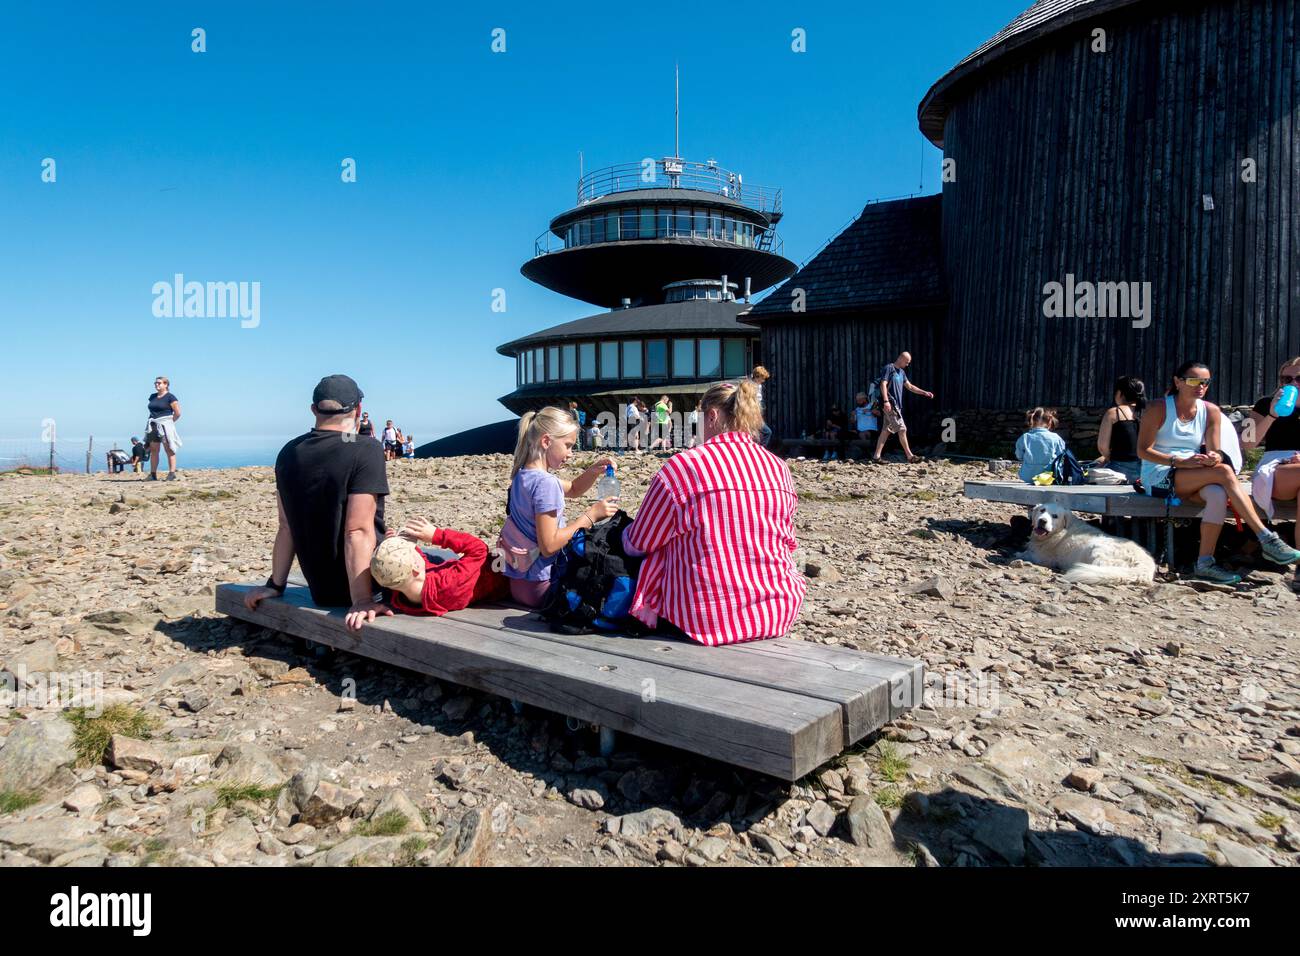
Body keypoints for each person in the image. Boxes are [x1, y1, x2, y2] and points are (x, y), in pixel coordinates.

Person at [623, 379, 806, 646]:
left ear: (711, 416)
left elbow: (639, 543)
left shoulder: (683, 467)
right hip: (777, 612)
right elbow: (787, 540)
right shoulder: (778, 467)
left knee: (654, 549)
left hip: (703, 618)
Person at [243, 374, 392, 630]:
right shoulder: (365, 449)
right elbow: (356, 531)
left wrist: (275, 585)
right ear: (358, 410)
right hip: (370, 588)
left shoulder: (289, 451)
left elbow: (285, 526)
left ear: (314, 409)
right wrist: (362, 600)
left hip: (321, 590)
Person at [1137, 361, 1300, 584]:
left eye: (1205, 382)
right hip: (1161, 471)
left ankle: (1205, 563)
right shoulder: (1158, 408)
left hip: (1194, 471)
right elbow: (1143, 451)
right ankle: (1266, 537)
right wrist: (1180, 461)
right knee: (1223, 473)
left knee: (1217, 493)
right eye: (1194, 380)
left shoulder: (1211, 410)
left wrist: (1213, 457)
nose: (1201, 386)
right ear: (1178, 381)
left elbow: (1215, 452)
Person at [500, 407, 619, 607]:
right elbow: (549, 546)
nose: (571, 454)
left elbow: (573, 489)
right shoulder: (546, 484)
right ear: (546, 441)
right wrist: (590, 517)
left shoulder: (522, 476)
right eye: (568, 446)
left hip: (519, 586)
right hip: (544, 588)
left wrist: (592, 471)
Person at [370, 518, 509, 616]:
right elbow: (479, 550)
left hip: (469, 580)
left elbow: (420, 565)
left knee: (434, 557)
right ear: (416, 567)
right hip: (504, 573)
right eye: (414, 550)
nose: (417, 549)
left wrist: (392, 543)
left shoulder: (402, 596)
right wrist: (437, 535)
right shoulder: (449, 582)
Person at [1244, 355, 1300, 520]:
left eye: (1299, 378)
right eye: (1287, 379)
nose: (1293, 383)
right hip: (1275, 469)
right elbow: (1246, 444)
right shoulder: (1264, 404)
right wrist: (1271, 415)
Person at [872, 352, 934, 463]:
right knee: (902, 429)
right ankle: (910, 456)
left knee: (886, 430)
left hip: (896, 406)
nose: (907, 364)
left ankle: (876, 457)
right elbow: (883, 384)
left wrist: (924, 392)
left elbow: (910, 386)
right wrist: (886, 401)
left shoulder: (902, 372)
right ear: (900, 358)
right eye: (906, 362)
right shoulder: (889, 368)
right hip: (890, 404)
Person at [1094, 376, 1146, 482]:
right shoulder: (1150, 411)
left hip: (1119, 469)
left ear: (1119, 393)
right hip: (1146, 469)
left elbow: (1102, 447)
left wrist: (1109, 458)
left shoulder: (1114, 413)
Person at [145, 376, 182, 481]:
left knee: (169, 449)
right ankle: (152, 474)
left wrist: (169, 423)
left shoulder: (171, 397)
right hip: (153, 425)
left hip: (165, 425)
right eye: (155, 383)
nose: (157, 385)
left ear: (166, 384)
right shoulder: (152, 396)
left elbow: (178, 413)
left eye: (159, 383)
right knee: (154, 450)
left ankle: (171, 474)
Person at [1015, 407, 1067, 483]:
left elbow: (1019, 456)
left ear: (1032, 420)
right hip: (1049, 477)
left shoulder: (1025, 437)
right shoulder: (1056, 438)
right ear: (1050, 422)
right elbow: (1061, 457)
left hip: (1028, 476)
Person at [749, 366, 772, 447]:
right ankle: (761, 450)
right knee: (767, 432)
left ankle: (757, 450)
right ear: (757, 376)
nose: (763, 380)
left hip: (758, 412)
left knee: (757, 435)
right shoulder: (749, 386)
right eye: (762, 378)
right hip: (751, 413)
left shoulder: (759, 385)